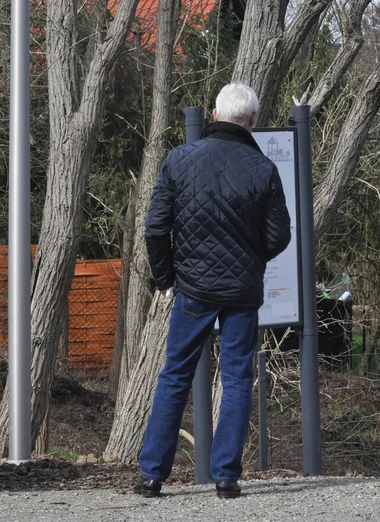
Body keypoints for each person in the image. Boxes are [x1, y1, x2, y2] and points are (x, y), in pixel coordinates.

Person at [135, 83, 291, 499]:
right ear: (253, 120)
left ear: (214, 112)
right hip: (242, 292)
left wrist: (167, 278)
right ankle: (225, 477)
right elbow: (279, 236)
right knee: (238, 377)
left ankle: (152, 475)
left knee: (175, 375)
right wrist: (249, 259)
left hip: (193, 288)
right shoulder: (263, 169)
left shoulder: (179, 160)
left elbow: (154, 228)